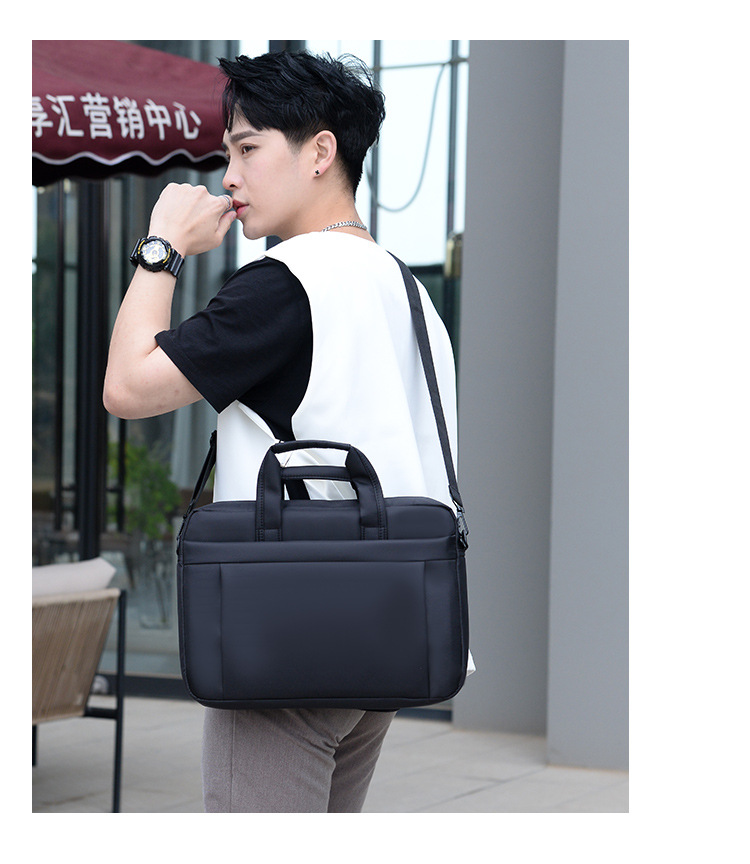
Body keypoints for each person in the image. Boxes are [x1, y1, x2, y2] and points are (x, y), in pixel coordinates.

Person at [103, 50, 459, 813]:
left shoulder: (286, 281)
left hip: (292, 634)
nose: (228, 175)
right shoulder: (405, 287)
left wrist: (161, 248)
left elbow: (126, 387)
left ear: (320, 152)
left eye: (247, 148)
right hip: (387, 630)